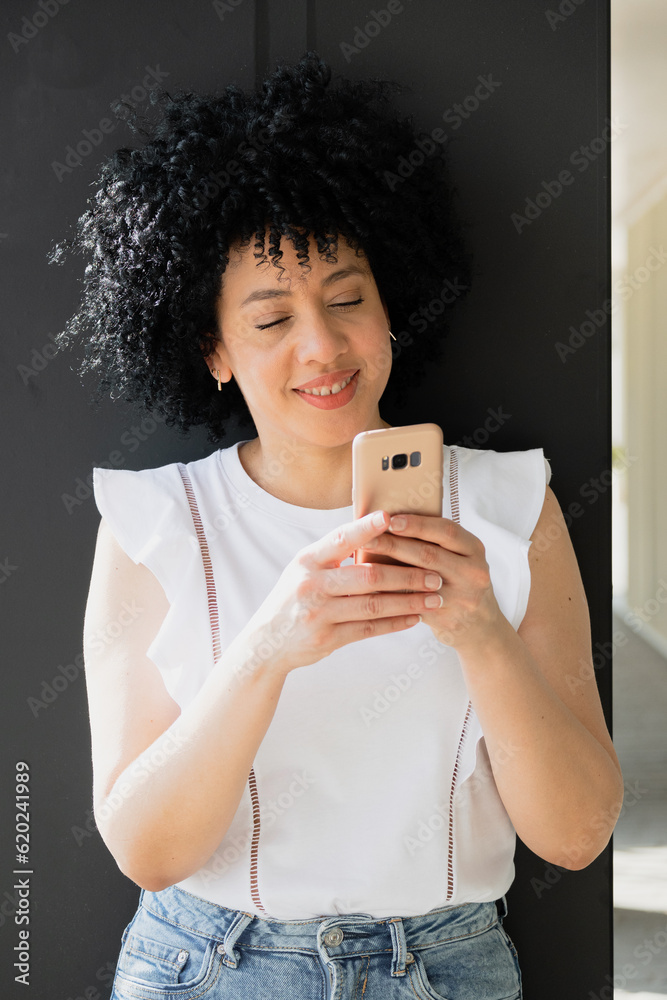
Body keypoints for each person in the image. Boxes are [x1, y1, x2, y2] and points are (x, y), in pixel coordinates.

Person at [51, 51, 624, 1000]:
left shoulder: (512, 506)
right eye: (271, 319)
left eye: (348, 299)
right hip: (207, 967)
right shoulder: (154, 523)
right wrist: (269, 647)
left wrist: (481, 632)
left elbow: (575, 836)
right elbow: (146, 852)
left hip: (447, 968)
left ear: (391, 304)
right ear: (213, 348)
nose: (322, 346)